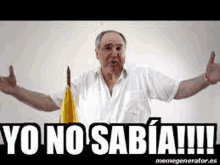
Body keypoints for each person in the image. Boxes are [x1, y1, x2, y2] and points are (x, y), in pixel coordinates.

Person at [0, 30, 220, 128]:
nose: (114, 53)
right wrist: (16, 91)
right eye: (107, 48)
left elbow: (178, 90)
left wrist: (206, 79)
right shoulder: (83, 81)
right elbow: (49, 103)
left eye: (119, 48)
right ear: (97, 53)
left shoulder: (143, 76)